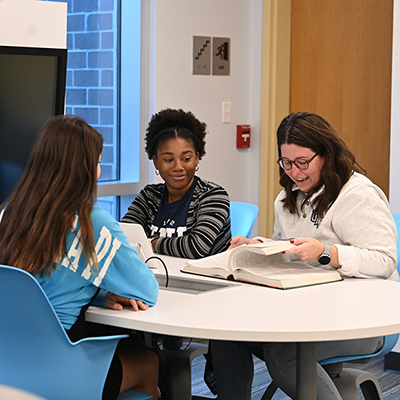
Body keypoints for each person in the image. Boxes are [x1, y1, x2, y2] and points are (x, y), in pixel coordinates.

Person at [208, 111, 398, 400]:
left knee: (285, 352)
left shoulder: (357, 194)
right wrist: (259, 246)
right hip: (305, 313)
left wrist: (327, 253)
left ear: (326, 154)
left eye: (302, 163)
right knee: (227, 337)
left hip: (365, 319)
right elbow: (290, 253)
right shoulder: (287, 199)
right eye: (286, 163)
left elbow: (384, 261)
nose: (295, 173)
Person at [0, 115, 160, 400]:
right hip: (62, 371)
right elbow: (147, 291)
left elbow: (31, 286)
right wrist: (103, 289)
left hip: (8, 366)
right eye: (97, 162)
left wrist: (98, 295)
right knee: (149, 362)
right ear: (83, 170)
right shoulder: (92, 224)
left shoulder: (9, 214)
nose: (99, 171)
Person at [121, 108, 231, 259]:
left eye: (186, 159)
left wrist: (153, 243)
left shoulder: (214, 195)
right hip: (156, 277)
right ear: (156, 162)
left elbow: (196, 247)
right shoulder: (149, 196)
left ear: (197, 158)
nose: (178, 167)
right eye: (168, 160)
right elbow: (124, 238)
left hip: (205, 281)